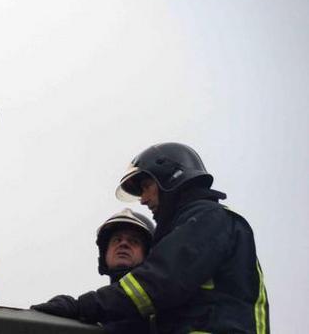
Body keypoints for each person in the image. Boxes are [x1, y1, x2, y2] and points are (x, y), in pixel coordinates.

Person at [34, 142, 269, 333]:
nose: (143, 200)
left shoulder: (209, 219)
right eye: (116, 240)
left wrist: (80, 307)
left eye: (146, 187)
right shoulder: (202, 222)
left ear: (170, 177)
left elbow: (157, 284)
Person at [32, 208, 154, 333]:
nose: (123, 244)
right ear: (104, 253)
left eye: (133, 241)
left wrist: (79, 307)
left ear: (148, 254)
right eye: (116, 240)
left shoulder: (159, 303)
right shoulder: (99, 319)